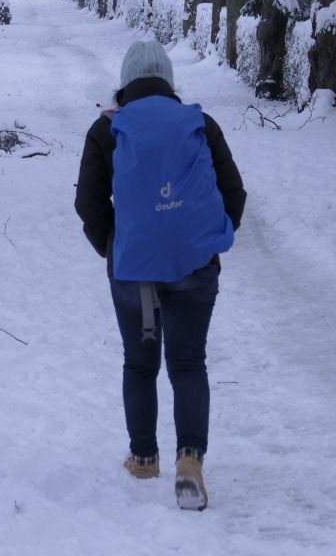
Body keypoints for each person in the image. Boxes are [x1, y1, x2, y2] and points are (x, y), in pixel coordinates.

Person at [75, 40, 246, 511]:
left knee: (140, 363)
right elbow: (234, 193)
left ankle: (145, 457)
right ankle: (190, 460)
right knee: (188, 363)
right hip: (194, 265)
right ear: (170, 83)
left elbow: (87, 204)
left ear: (124, 85)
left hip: (132, 270)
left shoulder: (106, 130)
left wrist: (115, 249)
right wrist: (208, 241)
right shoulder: (200, 124)